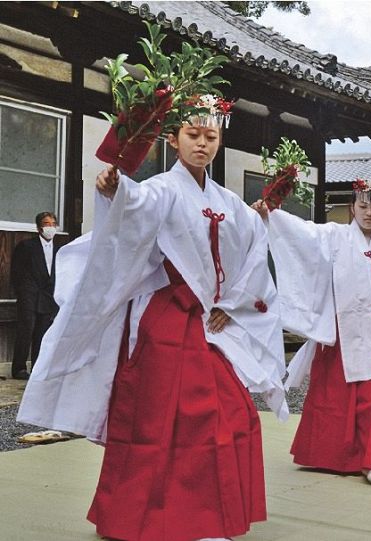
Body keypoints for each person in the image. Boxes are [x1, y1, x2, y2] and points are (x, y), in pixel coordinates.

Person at [17, 104, 287, 541]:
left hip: (204, 321)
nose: (202, 143)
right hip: (163, 318)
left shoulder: (227, 203)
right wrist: (114, 188)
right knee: (158, 417)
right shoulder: (161, 189)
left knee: (233, 415)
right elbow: (133, 206)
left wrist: (233, 301)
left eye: (211, 137)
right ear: (173, 139)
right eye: (193, 134)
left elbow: (253, 251)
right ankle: (139, 515)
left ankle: (203, 514)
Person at [258, 178, 371, 488]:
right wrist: (272, 214)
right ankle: (331, 456)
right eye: (363, 206)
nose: (369, 213)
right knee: (334, 394)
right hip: (341, 330)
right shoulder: (334, 236)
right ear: (352, 206)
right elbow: (302, 235)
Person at [9, 212, 60, 380]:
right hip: (29, 293)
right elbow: (16, 272)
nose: (50, 227)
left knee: (42, 331)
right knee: (26, 329)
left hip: (47, 294)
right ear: (39, 227)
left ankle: (38, 366)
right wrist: (22, 292)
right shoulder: (26, 246)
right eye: (47, 224)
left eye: (53, 224)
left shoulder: (60, 249)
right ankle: (19, 368)